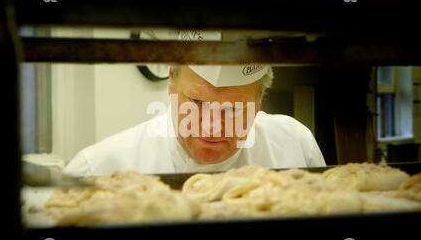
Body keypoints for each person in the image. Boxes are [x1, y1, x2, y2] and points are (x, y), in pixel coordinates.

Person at [64, 31, 325, 176]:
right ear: (171, 82)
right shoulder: (98, 169)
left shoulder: (294, 145)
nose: (211, 127)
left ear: (260, 100)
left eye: (233, 110)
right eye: (197, 102)